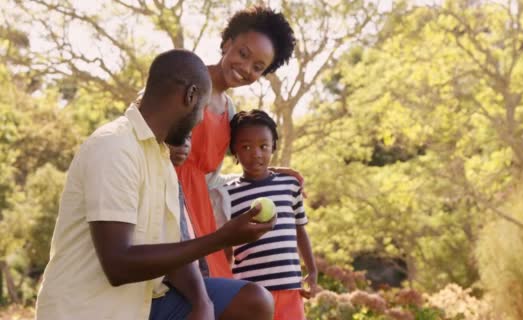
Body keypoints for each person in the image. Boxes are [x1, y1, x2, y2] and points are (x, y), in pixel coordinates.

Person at [36, 49, 274, 320]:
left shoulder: (163, 160)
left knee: (252, 301)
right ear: (190, 96)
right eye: (203, 108)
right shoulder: (115, 146)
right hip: (91, 310)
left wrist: (202, 302)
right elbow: (118, 265)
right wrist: (222, 238)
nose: (199, 120)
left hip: (144, 302)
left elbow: (174, 246)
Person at [173, 5, 300, 279]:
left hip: (201, 215)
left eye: (258, 67)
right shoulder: (185, 81)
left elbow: (209, 176)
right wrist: (168, 148)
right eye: (243, 54)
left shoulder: (230, 112)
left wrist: (270, 172)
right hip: (166, 206)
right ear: (227, 43)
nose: (245, 68)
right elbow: (141, 122)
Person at [214, 110, 318, 320]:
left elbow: (300, 229)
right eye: (246, 147)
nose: (256, 154)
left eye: (263, 146)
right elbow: (226, 247)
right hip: (250, 293)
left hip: (290, 287)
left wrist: (313, 270)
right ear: (234, 150)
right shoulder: (227, 194)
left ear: (274, 147)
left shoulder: (289, 185)